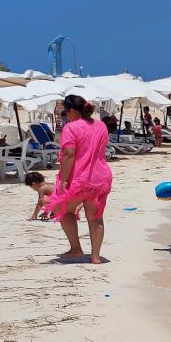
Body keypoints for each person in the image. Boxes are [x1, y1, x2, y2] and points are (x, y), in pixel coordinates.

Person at [45, 95, 113, 264]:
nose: (66, 115)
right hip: (100, 177)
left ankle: (76, 248)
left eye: (66, 112)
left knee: (62, 210)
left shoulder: (71, 128)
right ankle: (96, 256)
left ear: (73, 111)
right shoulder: (101, 125)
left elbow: (69, 154)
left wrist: (64, 180)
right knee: (95, 217)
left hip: (79, 178)